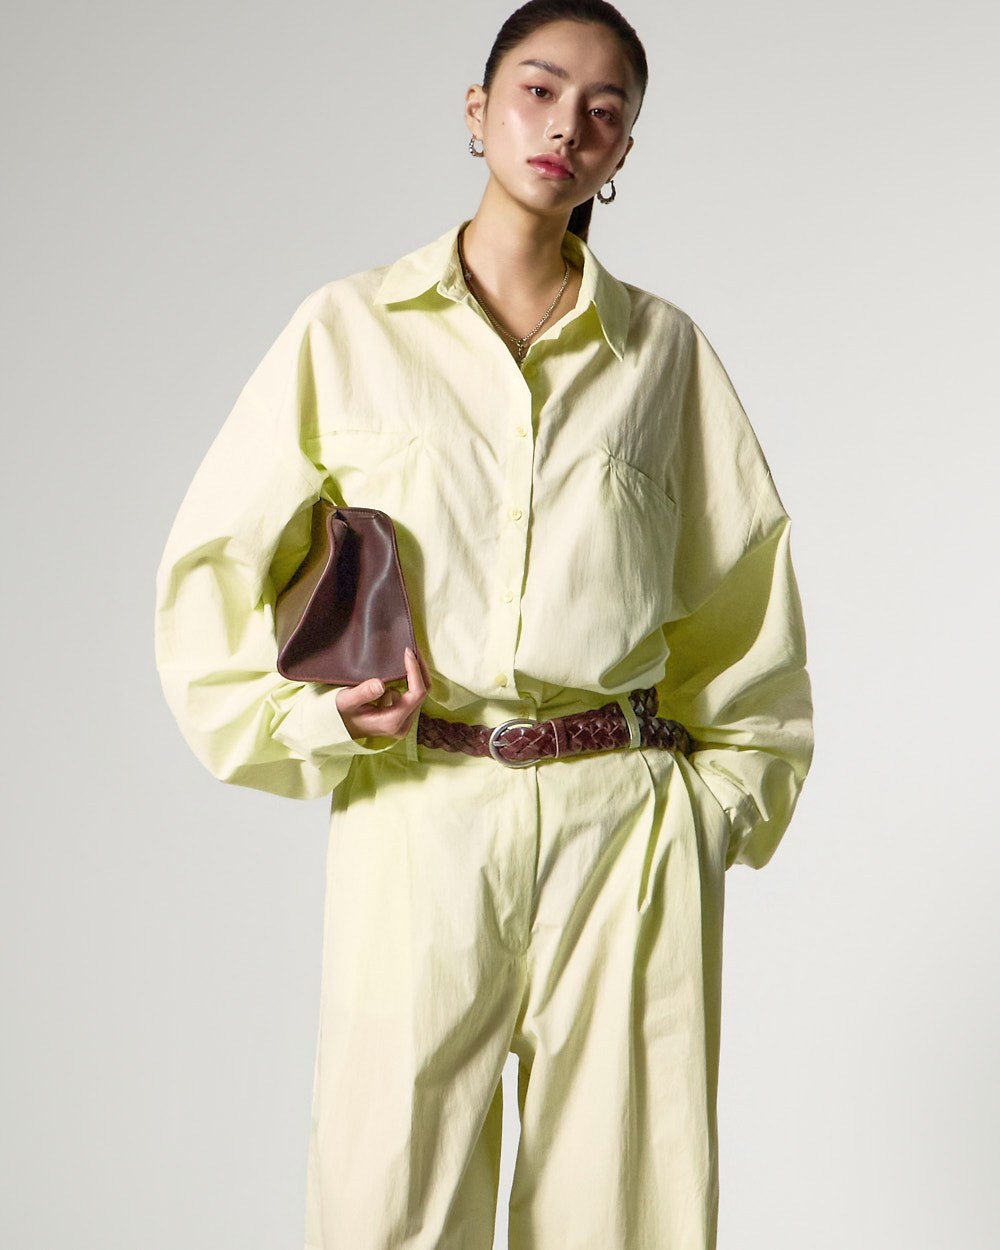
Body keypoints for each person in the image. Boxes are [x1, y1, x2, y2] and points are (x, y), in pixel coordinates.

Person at [154, 2, 814, 1246]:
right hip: (419, 806)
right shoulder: (347, 331)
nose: (567, 125)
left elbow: (745, 605)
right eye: (538, 88)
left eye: (604, 110)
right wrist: (313, 721)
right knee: (387, 1203)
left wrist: (712, 811)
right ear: (477, 109)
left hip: (622, 833)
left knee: (623, 1212)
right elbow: (212, 569)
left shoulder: (662, 355)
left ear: (623, 153)